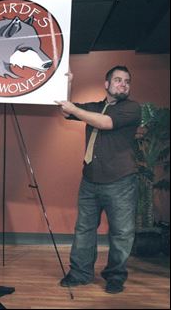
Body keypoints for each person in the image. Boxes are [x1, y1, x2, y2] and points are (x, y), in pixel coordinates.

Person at [55, 66, 141, 294]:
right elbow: (66, 111)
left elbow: (104, 122)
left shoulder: (131, 109)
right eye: (118, 80)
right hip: (90, 181)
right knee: (84, 229)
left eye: (127, 81)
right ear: (107, 84)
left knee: (121, 233)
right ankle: (80, 273)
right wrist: (68, 83)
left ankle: (115, 276)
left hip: (120, 182)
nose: (123, 84)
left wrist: (75, 108)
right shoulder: (95, 107)